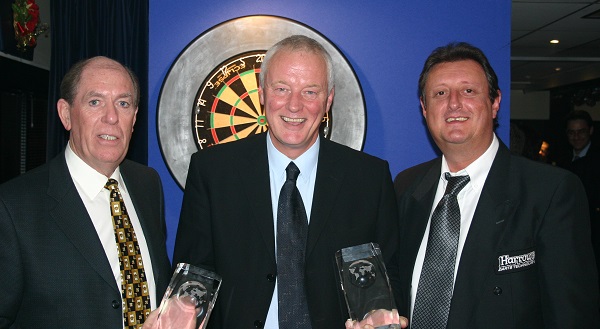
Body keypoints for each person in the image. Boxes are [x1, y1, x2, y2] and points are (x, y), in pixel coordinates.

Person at [172, 35, 400, 329]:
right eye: (282, 89)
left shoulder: (369, 178)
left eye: (310, 92)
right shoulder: (213, 171)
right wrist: (183, 308)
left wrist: (378, 315)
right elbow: (194, 272)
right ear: (263, 94)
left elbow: (387, 276)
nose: (294, 106)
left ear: (328, 100)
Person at [393, 42, 599, 328]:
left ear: (495, 102)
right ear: (425, 109)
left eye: (468, 91)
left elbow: (571, 315)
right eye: (440, 93)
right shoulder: (407, 186)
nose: (453, 103)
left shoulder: (551, 191)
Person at [0, 56, 172, 328]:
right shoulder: (13, 208)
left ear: (134, 118)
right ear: (66, 114)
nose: (112, 117)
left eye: (123, 103)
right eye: (95, 102)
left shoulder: (148, 185)